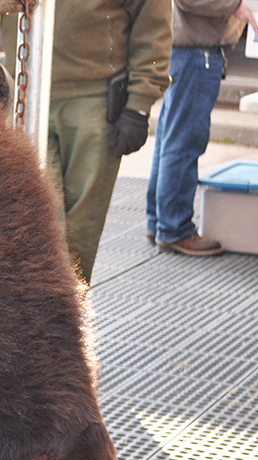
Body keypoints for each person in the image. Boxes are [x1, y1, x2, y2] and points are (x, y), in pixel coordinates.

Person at [48, 0, 172, 283]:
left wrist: (139, 104)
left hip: (95, 98)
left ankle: (65, 317)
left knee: (79, 232)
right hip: (26, 88)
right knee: (34, 224)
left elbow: (153, 23)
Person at [146, 0, 257, 256]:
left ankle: (160, 220)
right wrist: (234, 5)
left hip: (189, 51)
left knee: (170, 139)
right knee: (183, 142)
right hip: (196, 51)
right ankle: (174, 227)